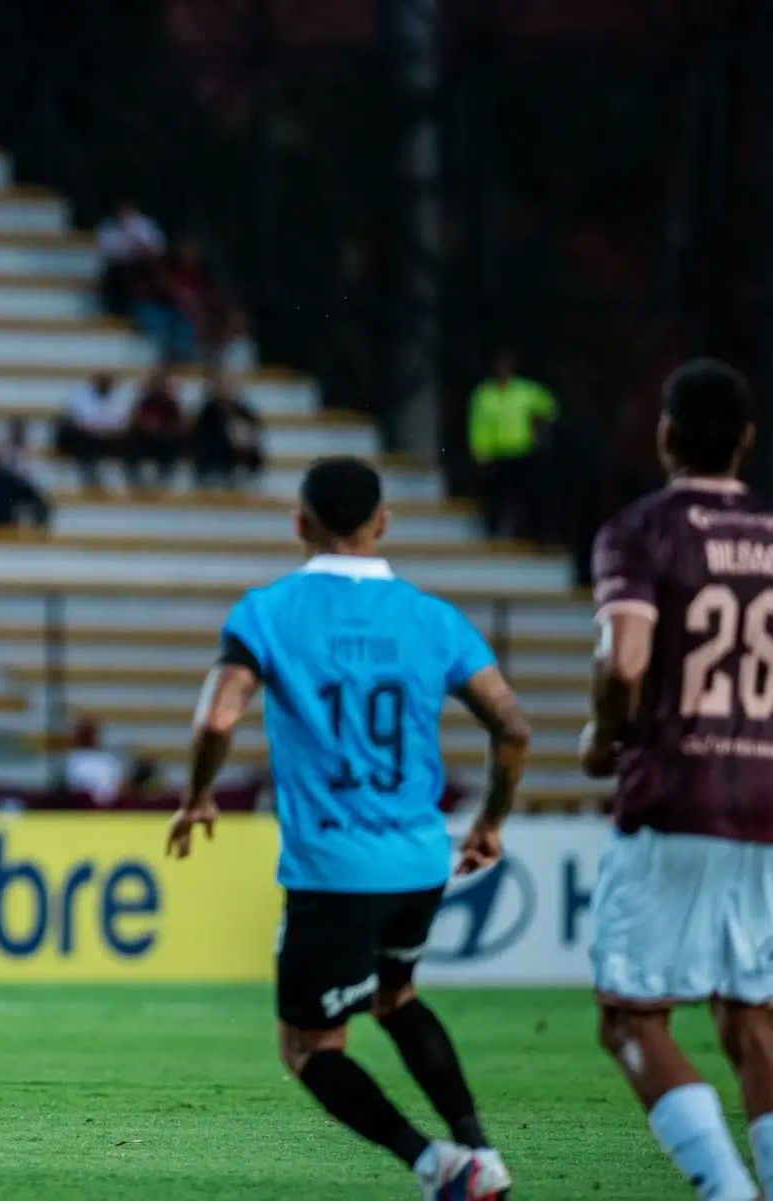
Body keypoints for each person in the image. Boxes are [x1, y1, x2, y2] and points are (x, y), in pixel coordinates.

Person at [166, 456, 527, 1200]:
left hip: (334, 865)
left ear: (300, 524)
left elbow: (218, 715)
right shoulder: (432, 615)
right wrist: (490, 819)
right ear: (383, 522)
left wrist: (198, 794)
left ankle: (439, 1168)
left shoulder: (268, 611)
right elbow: (513, 726)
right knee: (397, 996)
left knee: (309, 1046)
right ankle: (480, 1151)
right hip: (422, 859)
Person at [580, 360, 773, 1201]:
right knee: (753, 1016)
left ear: (665, 434)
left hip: (675, 793)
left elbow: (625, 658)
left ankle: (727, 1193)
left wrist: (605, 734)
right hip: (766, 803)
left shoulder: (641, 530)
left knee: (631, 1017)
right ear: (747, 441)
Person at [467, 351, 557, 541]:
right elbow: (478, 425)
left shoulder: (525, 390)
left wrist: (539, 424)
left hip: (521, 452)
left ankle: (528, 534)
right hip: (496, 454)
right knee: (496, 498)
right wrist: (480, 451)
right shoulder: (484, 394)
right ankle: (492, 534)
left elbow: (550, 407)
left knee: (526, 497)